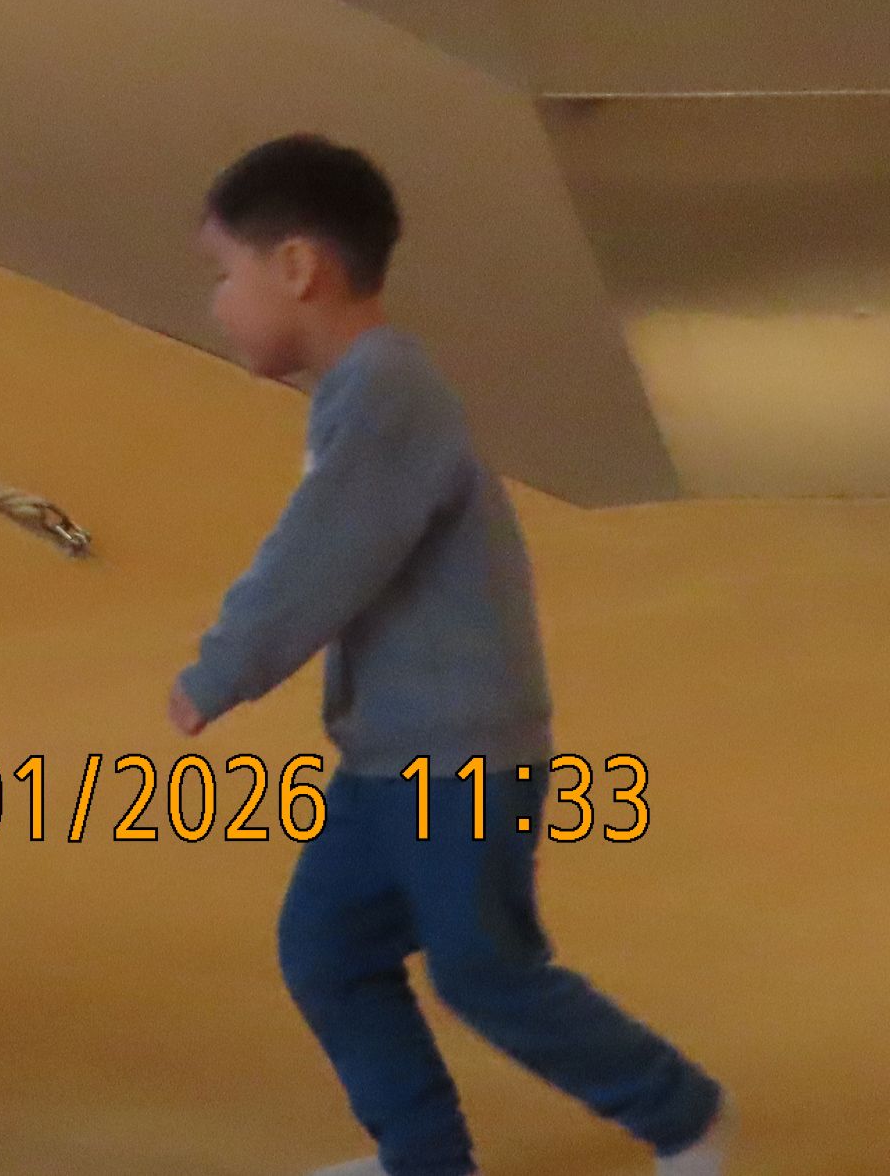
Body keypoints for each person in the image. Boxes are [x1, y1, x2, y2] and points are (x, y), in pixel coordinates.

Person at [168, 135, 727, 1176]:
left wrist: (223, 667)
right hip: (391, 758)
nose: (217, 305)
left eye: (223, 276)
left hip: (455, 759)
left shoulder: (388, 394)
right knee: (330, 949)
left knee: (485, 969)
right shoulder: (365, 393)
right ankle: (423, 1156)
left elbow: (320, 556)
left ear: (297, 267)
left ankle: (681, 1116)